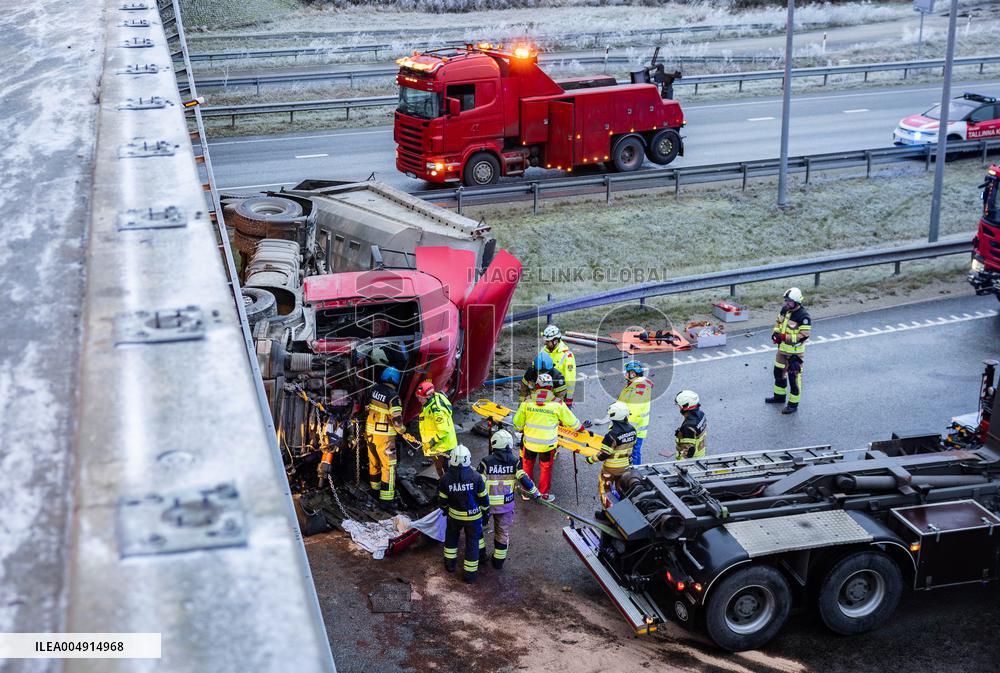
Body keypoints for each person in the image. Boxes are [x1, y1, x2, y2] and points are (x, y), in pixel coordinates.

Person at [512, 372, 583, 501]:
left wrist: (520, 428)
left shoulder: (527, 401)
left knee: (527, 466)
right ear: (551, 387)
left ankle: (527, 492)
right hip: (547, 445)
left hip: (529, 443)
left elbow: (517, 423)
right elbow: (572, 422)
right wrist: (581, 429)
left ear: (537, 386)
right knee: (545, 469)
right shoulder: (558, 403)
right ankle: (543, 494)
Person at [476, 429, 540, 569]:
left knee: (477, 530)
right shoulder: (515, 462)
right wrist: (536, 493)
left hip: (486, 505)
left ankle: (480, 557)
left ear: (494, 444)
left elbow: (478, 483)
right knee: (502, 533)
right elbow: (524, 479)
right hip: (506, 506)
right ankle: (498, 562)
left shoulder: (486, 462)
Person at [437, 445, 490, 583]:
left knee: (451, 539)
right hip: (474, 517)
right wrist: (486, 513)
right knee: (472, 543)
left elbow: (442, 500)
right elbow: (484, 499)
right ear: (468, 459)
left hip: (454, 517)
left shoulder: (445, 479)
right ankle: (470, 575)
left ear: (452, 460)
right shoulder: (477, 477)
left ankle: (450, 565)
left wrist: (446, 510)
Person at [765, 287, 812, 415]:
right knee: (778, 373)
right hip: (782, 351)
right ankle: (779, 397)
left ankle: (793, 404)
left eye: (789, 301)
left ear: (797, 302)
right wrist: (775, 334)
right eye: (786, 300)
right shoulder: (784, 310)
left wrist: (784, 337)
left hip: (795, 355)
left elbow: (803, 336)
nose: (787, 303)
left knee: (794, 379)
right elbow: (778, 323)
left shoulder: (803, 316)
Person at [365, 367, 406, 509]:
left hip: (370, 434)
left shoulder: (373, 390)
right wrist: (403, 431)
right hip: (385, 437)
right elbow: (397, 421)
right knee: (389, 467)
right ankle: (386, 500)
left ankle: (374, 491)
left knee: (374, 463)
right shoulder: (393, 396)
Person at [586, 401, 636, 510]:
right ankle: (624, 510)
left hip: (611, 469)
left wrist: (590, 459)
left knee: (605, 489)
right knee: (622, 490)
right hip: (626, 467)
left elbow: (604, 454)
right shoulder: (633, 430)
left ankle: (607, 512)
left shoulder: (611, 435)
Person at [416, 380, 457, 477]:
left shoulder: (437, 411)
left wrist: (431, 442)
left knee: (444, 471)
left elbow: (443, 430)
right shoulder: (430, 402)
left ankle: (445, 485)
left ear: (429, 396)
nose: (419, 400)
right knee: (441, 469)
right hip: (438, 446)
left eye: (421, 398)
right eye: (418, 397)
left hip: (443, 447)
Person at [617, 361, 651, 465]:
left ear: (633, 374)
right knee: (633, 452)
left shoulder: (639, 389)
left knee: (634, 452)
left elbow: (634, 411)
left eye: (627, 372)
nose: (625, 374)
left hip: (634, 429)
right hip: (632, 427)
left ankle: (636, 472)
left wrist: (626, 429)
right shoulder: (634, 384)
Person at [542, 325, 577, 408]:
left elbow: (570, 380)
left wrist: (569, 399)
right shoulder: (543, 351)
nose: (545, 343)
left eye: (547, 342)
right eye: (545, 341)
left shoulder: (567, 356)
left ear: (555, 341)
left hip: (560, 395)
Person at [673, 390, 707, 460]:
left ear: (684, 406)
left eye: (679, 405)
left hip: (690, 461)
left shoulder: (688, 427)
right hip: (700, 454)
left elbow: (688, 452)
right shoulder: (701, 414)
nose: (678, 407)